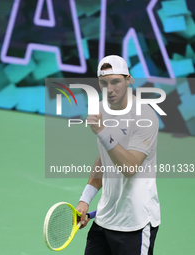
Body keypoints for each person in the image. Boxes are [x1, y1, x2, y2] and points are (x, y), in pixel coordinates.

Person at [76, 55, 161, 255]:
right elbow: (104, 159)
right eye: (103, 83)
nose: (110, 89)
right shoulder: (100, 109)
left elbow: (130, 167)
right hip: (105, 218)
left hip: (135, 223)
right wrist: (85, 199)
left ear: (128, 80)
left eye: (115, 81)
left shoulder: (145, 117)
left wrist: (103, 132)